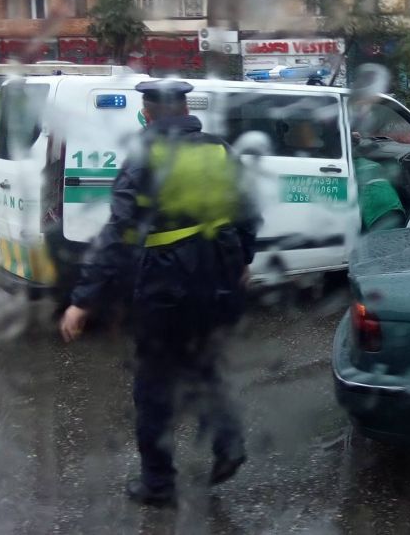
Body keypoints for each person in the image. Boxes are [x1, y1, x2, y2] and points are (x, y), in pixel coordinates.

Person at [59, 79, 259, 506]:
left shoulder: (144, 155)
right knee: (203, 365)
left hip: (166, 285)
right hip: (218, 278)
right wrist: (243, 259)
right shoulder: (218, 149)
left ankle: (158, 483)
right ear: (185, 109)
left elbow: (117, 234)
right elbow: (245, 208)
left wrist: (83, 300)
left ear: (147, 113)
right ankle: (228, 443)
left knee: (153, 385)